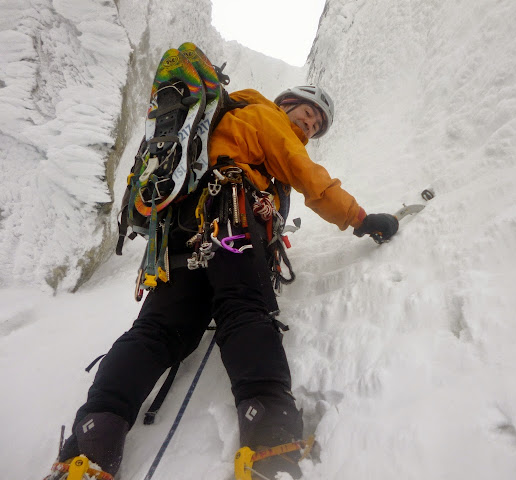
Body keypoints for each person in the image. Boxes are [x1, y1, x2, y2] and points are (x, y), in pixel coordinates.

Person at [45, 85, 399, 480]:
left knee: (159, 331)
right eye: (308, 113)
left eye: (317, 125)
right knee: (245, 309)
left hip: (182, 232)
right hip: (230, 214)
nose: (310, 125)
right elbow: (306, 174)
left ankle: (90, 444)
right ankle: (271, 441)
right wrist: (361, 219)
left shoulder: (230, 121)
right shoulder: (267, 117)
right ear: (286, 104)